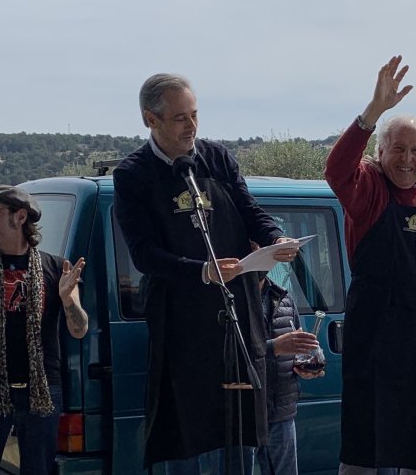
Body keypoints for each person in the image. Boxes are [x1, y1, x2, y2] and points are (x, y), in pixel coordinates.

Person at [112, 73, 298, 473]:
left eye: (195, 115)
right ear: (150, 120)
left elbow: (250, 211)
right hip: (181, 324)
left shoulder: (217, 158)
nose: (192, 126)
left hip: (237, 315)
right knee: (187, 434)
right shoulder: (133, 175)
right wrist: (202, 272)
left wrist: (275, 238)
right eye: (180, 118)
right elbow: (144, 254)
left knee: (240, 428)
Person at [325, 56, 416, 475]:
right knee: (365, 446)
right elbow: (336, 169)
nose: (406, 159)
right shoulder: (367, 185)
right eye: (397, 149)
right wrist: (373, 112)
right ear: (380, 152)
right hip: (374, 337)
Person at [0, 185, 89, 474]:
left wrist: (67, 299)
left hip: (42, 390)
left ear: (20, 216)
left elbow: (79, 329)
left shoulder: (56, 268)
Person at [257, 274, 323, 475]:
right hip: (245, 414)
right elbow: (222, 355)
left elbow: (297, 347)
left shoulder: (283, 296)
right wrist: (274, 347)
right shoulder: (231, 298)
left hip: (281, 411)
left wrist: (304, 365)